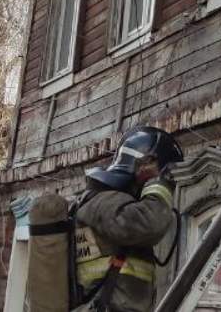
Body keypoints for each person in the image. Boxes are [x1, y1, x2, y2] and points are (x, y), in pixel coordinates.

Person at [64, 126, 183, 312]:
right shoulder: (104, 201)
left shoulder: (108, 202)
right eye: (164, 170)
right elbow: (150, 223)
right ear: (146, 162)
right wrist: (160, 184)